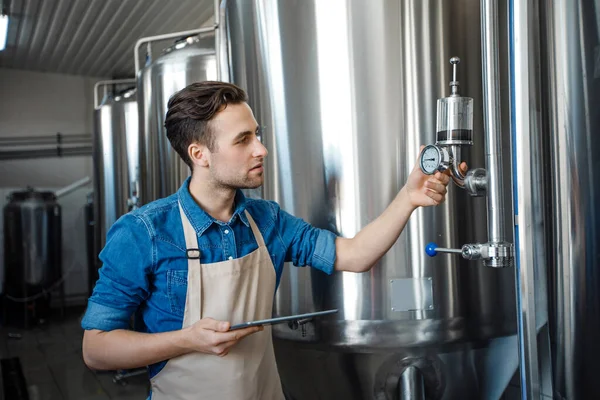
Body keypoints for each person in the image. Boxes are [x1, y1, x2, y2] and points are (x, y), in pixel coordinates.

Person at [81, 81, 461, 400]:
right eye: (243, 140)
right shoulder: (143, 232)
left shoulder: (268, 220)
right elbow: (96, 349)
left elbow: (355, 255)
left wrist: (409, 197)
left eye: (257, 134)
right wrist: (187, 340)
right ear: (200, 154)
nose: (261, 149)